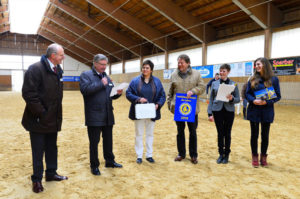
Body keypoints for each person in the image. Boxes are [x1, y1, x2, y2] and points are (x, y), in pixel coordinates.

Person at [21, 43, 68, 193]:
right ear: (53, 56)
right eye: (61, 55)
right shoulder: (35, 69)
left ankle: (51, 173)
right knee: (38, 151)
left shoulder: (57, 70)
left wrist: (53, 115)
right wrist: (41, 113)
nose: (63, 57)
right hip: (38, 120)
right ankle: (37, 180)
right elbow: (29, 94)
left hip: (53, 118)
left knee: (51, 148)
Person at [80, 54, 123, 176]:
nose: (104, 67)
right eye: (102, 64)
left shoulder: (106, 77)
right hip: (94, 115)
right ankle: (94, 165)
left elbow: (110, 94)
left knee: (108, 140)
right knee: (94, 142)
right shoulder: (86, 75)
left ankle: (110, 161)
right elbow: (85, 90)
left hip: (108, 114)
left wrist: (117, 93)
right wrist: (101, 84)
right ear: (95, 63)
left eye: (105, 65)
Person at [167, 54, 205, 164]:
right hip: (178, 109)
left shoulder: (197, 74)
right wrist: (169, 105)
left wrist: (193, 91)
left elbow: (202, 87)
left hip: (192, 110)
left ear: (188, 63)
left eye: (182, 63)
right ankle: (181, 154)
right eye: (178, 63)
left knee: (193, 132)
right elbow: (170, 91)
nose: (179, 65)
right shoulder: (173, 75)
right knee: (180, 132)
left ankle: (193, 155)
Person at [126, 60, 166, 164]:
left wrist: (158, 104)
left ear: (151, 69)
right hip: (139, 111)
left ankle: (149, 155)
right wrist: (138, 99)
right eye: (143, 67)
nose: (145, 69)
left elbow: (162, 95)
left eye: (147, 68)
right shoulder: (135, 81)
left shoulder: (157, 81)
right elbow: (128, 93)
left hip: (152, 112)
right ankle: (139, 155)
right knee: (139, 134)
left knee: (150, 134)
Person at [246, 57, 281, 168]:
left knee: (265, 136)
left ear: (265, 65)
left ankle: (263, 157)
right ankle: (255, 156)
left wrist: (267, 102)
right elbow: (247, 94)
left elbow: (278, 96)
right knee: (254, 135)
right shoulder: (252, 79)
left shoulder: (274, 79)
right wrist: (253, 100)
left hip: (267, 111)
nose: (257, 66)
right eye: (256, 65)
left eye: (259, 64)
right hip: (254, 110)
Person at [207, 64, 240, 164]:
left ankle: (227, 155)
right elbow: (211, 99)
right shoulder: (214, 83)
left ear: (228, 72)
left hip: (229, 111)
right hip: (217, 110)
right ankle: (221, 154)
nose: (221, 73)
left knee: (227, 133)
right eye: (220, 71)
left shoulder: (234, 84)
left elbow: (238, 99)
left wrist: (232, 99)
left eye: (224, 71)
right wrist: (209, 113)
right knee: (220, 133)